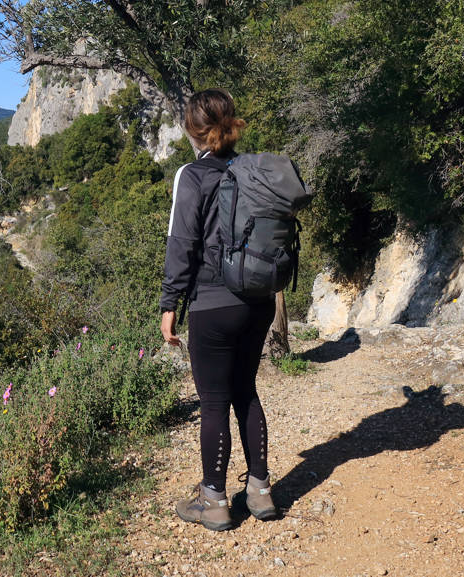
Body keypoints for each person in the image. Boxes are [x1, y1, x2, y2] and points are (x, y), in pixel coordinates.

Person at [160, 88, 277, 531]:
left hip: (212, 303)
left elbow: (182, 244)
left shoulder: (191, 175)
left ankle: (213, 501)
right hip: (258, 301)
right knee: (245, 391)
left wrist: (170, 303)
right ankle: (261, 492)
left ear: (193, 130)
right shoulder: (253, 170)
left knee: (213, 402)